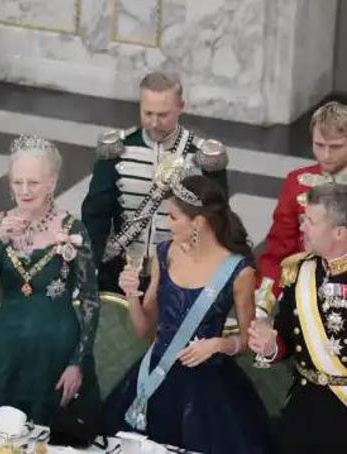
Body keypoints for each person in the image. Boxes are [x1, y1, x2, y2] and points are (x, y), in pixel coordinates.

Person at [103, 175, 271, 453]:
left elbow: (249, 342)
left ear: (198, 222)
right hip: (154, 378)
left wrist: (219, 344)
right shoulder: (164, 254)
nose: (167, 224)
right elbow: (145, 332)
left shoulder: (239, 272)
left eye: (173, 217)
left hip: (209, 390)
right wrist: (132, 295)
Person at [0, 135, 100, 425]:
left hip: (55, 351)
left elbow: (90, 299)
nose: (24, 191)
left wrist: (77, 363)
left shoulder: (73, 229)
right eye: (18, 182)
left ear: (52, 182)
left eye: (34, 183)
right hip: (7, 348)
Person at [81, 71, 228, 295]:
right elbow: (95, 217)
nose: (154, 122)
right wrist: (90, 271)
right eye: (148, 113)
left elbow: (217, 221)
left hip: (180, 275)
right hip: (121, 274)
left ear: (181, 107)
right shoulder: (117, 149)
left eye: (163, 114)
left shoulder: (202, 157)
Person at [249, 183, 347, 453]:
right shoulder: (300, 271)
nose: (301, 227)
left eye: (311, 221)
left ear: (339, 232)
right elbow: (286, 339)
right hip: (304, 411)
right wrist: (270, 346)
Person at [256, 101, 347, 316]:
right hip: (303, 290)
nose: (325, 155)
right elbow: (278, 250)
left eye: (335, 147)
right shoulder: (296, 182)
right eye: (319, 145)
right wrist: (264, 303)